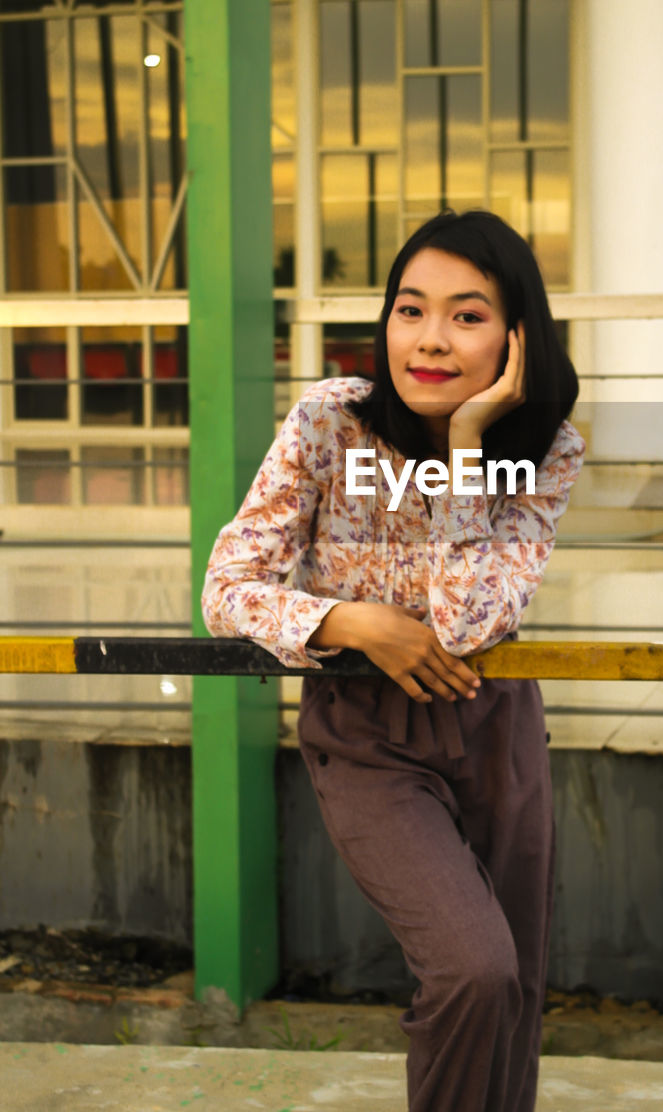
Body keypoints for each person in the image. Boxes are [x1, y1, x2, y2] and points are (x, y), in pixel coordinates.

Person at [202, 209, 584, 1112]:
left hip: (496, 726)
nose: (430, 340)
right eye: (410, 310)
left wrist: (463, 446)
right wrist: (352, 623)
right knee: (473, 969)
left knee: (518, 989)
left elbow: (469, 621)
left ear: (516, 335)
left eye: (467, 315)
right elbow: (228, 588)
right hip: (367, 736)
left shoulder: (545, 449)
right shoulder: (329, 424)